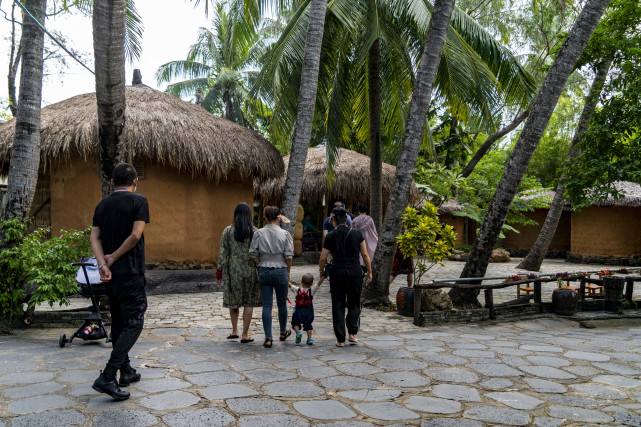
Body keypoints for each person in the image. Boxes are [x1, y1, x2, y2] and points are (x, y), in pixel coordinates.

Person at [90, 163, 150, 401]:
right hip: (130, 273)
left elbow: (94, 237)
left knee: (118, 321)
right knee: (135, 323)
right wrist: (114, 257)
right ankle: (107, 375)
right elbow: (136, 235)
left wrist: (103, 264)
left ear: (112, 183)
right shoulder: (139, 201)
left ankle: (125, 370)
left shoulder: (102, 204)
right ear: (135, 181)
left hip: (110, 276)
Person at [319, 207, 372, 347]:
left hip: (337, 271)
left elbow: (323, 257)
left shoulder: (330, 236)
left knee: (338, 304)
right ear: (347, 219)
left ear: (332, 220)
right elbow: (365, 254)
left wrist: (321, 271)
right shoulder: (357, 233)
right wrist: (370, 272)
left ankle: (340, 339)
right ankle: (352, 333)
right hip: (355, 271)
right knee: (354, 303)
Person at [216, 202, 261, 343]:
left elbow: (223, 253)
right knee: (248, 302)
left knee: (233, 302)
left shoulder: (228, 231)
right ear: (249, 215)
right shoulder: (255, 232)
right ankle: (245, 334)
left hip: (233, 271)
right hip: (250, 270)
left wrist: (219, 272)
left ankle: (234, 330)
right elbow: (260, 252)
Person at [249, 206, 294, 348]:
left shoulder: (259, 233)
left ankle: (268, 338)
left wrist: (260, 263)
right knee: (282, 304)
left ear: (265, 217)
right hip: (281, 270)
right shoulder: (285, 234)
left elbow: (252, 253)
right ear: (278, 217)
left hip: (264, 270)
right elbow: (289, 255)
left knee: (267, 305)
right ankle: (282, 331)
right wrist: (288, 271)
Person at [288, 273, 321, 345]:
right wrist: (323, 277)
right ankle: (309, 339)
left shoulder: (297, 290)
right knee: (308, 325)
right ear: (312, 283)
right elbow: (318, 284)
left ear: (301, 282)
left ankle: (298, 333)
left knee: (295, 323)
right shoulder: (311, 291)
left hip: (298, 312)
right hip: (308, 312)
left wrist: (285, 278)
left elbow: (290, 286)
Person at [351, 204, 378, 270]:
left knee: (359, 252)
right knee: (368, 251)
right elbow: (374, 230)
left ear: (359, 210)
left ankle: (360, 265)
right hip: (368, 238)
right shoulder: (369, 219)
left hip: (357, 237)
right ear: (366, 210)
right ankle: (368, 266)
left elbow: (352, 229)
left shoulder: (355, 220)